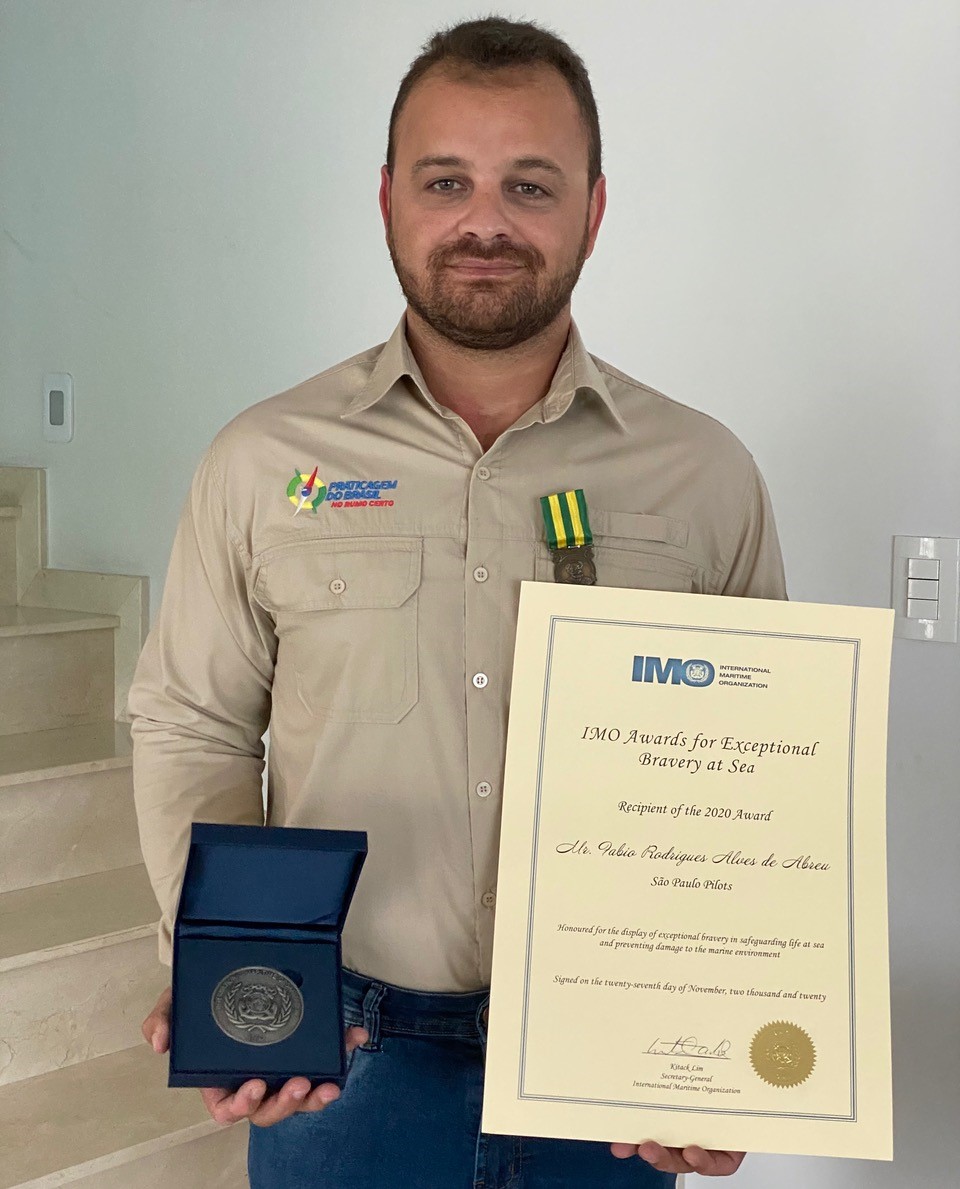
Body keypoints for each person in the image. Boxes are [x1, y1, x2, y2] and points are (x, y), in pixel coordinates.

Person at [132, 15, 785, 1187]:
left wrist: (726, 1041)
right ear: (388, 198)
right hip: (341, 1055)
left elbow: (762, 774)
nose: (485, 221)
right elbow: (195, 724)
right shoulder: (260, 459)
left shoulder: (706, 475)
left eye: (530, 184)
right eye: (447, 180)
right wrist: (228, 970)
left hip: (614, 1065)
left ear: (592, 208)